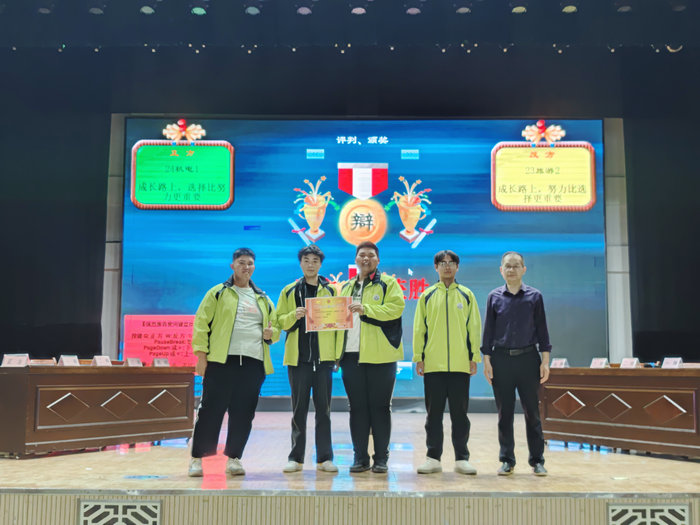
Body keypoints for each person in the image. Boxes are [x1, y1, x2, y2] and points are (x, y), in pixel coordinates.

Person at [187, 247, 279, 477]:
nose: (246, 267)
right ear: (232, 266)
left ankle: (235, 458)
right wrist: (201, 356)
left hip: (253, 363)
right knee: (210, 411)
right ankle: (198, 459)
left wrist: (272, 334)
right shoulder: (217, 293)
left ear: (254, 267)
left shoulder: (263, 298)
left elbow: (274, 327)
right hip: (221, 361)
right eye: (241, 263)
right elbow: (201, 324)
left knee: (244, 413)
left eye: (250, 263)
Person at [336, 241, 405, 474]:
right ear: (356, 259)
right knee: (357, 408)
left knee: (380, 408)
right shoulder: (346, 287)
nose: (366, 258)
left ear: (378, 259)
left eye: (371, 255)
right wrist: (335, 353)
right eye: (362, 255)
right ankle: (360, 457)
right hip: (350, 356)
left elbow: (396, 309)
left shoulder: (388, 283)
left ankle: (381, 458)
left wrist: (366, 309)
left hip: (381, 356)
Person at [482, 251, 551, 477]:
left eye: (516, 266)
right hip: (501, 360)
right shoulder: (494, 297)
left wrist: (545, 361)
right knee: (505, 413)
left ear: (524, 269)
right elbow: (488, 331)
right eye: (507, 266)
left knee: (532, 412)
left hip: (528, 359)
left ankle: (537, 460)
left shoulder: (535, 296)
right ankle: (507, 460)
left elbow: (543, 331)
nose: (511, 270)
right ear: (501, 270)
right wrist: (487, 361)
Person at [413, 250, 482, 475]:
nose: (447, 266)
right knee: (433, 415)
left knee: (460, 415)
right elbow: (419, 329)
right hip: (433, 366)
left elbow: (474, 328)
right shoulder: (427, 295)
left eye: (451, 263)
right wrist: (419, 357)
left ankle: (462, 459)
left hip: (460, 366)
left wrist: (474, 357)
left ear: (457, 267)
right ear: (436, 267)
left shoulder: (467, 295)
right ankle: (433, 458)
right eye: (442, 263)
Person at [276, 245, 339, 473]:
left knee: (324, 411)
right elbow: (279, 321)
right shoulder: (289, 291)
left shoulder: (331, 291)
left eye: (315, 261)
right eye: (306, 260)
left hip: (323, 362)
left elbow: (338, 325)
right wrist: (294, 315)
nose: (310, 264)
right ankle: (296, 458)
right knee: (298, 410)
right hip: (299, 361)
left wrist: (336, 355)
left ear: (320, 264)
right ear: (300, 263)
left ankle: (325, 458)